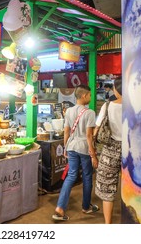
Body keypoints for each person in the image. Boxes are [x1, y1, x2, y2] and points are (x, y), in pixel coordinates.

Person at [52, 84, 99, 221]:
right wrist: (93, 155)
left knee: (71, 175)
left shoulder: (69, 111)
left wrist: (66, 147)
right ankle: (86, 207)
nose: (90, 97)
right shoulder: (90, 113)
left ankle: (60, 208)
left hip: (71, 146)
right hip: (84, 147)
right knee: (87, 176)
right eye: (90, 95)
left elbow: (66, 131)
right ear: (84, 96)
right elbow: (89, 136)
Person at [94, 77, 122, 224]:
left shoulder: (107, 106)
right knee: (132, 186)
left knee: (107, 188)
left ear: (116, 90)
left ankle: (108, 224)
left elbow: (97, 128)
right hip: (131, 149)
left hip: (110, 149)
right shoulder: (135, 106)